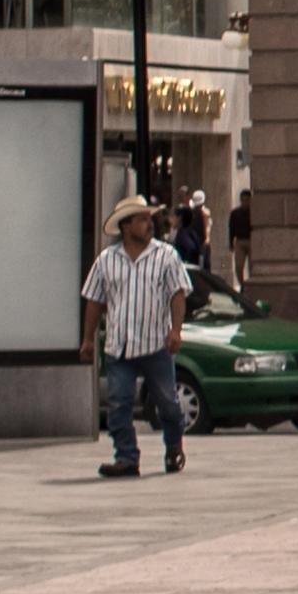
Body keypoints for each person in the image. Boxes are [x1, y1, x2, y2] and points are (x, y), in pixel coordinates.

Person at [82, 198, 195, 480]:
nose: (149, 224)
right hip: (119, 345)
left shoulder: (166, 255)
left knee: (168, 402)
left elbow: (178, 294)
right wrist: (88, 339)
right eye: (142, 219)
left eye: (149, 218)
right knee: (119, 403)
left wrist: (176, 330)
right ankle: (126, 457)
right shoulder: (107, 260)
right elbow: (94, 301)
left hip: (155, 343)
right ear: (126, 226)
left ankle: (173, 446)